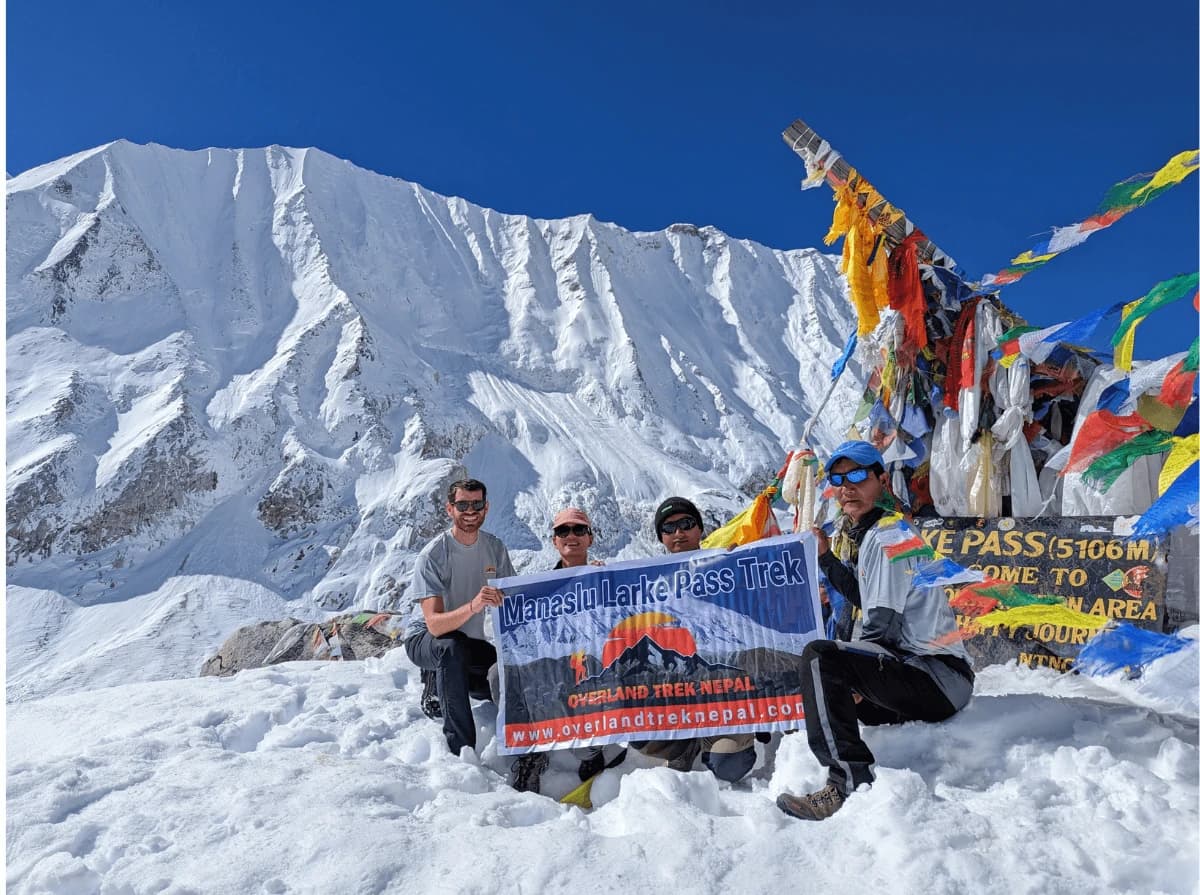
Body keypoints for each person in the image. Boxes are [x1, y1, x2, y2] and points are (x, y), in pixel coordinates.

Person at [776, 441, 974, 821]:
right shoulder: (875, 532)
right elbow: (866, 597)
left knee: (820, 658)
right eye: (838, 478)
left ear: (881, 480)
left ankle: (845, 782)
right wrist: (827, 559)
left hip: (937, 676)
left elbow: (881, 628)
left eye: (857, 476)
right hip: (925, 675)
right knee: (825, 682)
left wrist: (853, 678)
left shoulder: (887, 537)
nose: (847, 487)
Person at [627, 497, 759, 783]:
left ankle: (719, 742)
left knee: (728, 765)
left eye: (686, 524)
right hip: (676, 695)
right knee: (636, 729)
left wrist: (743, 565)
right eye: (669, 528)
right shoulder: (648, 583)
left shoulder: (725, 568)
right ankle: (685, 746)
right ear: (661, 537)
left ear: (699, 529)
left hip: (726, 695)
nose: (678, 533)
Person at [507, 507, 620, 793]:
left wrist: (608, 581)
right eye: (563, 531)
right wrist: (497, 599)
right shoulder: (536, 587)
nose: (571, 536)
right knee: (500, 675)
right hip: (553, 672)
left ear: (590, 538)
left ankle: (594, 753)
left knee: (584, 751)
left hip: (592, 674)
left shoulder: (609, 579)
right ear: (554, 541)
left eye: (579, 529)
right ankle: (532, 751)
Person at [404, 478, 514, 758]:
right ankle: (461, 749)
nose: (470, 510)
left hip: (471, 642)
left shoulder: (495, 549)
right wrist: (475, 605)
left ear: (486, 508)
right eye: (462, 504)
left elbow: (516, 600)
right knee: (450, 648)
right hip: (426, 639)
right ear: (449, 509)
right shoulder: (434, 555)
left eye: (476, 504)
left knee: (506, 677)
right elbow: (434, 624)